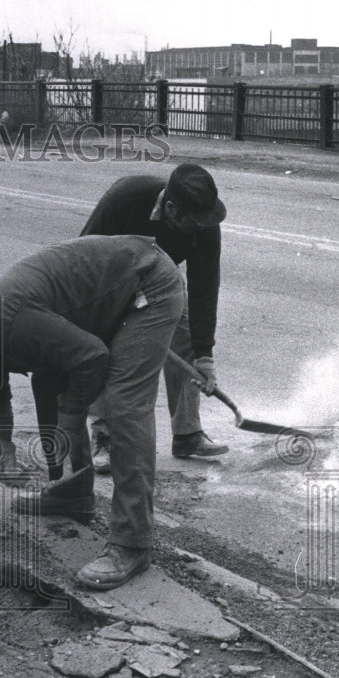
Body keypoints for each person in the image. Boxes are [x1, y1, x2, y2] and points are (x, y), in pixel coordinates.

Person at [0, 235, 184, 591]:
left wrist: (70, 417)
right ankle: (72, 493)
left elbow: (93, 357)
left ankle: (132, 543)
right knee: (47, 384)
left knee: (123, 405)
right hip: (103, 296)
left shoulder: (5, 320)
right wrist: (1, 447)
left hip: (146, 284)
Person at [80, 164, 229, 473]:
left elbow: (204, 288)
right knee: (104, 350)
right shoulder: (126, 199)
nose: (201, 228)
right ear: (171, 209)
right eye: (194, 223)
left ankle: (187, 433)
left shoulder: (204, 221)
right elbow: (83, 254)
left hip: (163, 278)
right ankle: (104, 437)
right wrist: (106, 306)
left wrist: (205, 356)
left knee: (186, 337)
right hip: (109, 277)